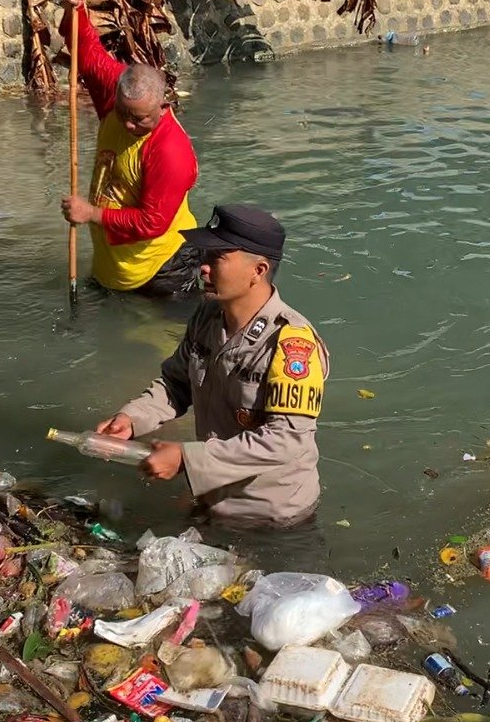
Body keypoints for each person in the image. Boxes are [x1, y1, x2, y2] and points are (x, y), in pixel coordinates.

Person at [94, 204, 328, 527]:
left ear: (258, 271)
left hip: (273, 519)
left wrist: (186, 459)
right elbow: (176, 383)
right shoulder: (207, 316)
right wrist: (132, 419)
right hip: (211, 495)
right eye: (204, 255)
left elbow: (285, 442)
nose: (203, 267)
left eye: (216, 258)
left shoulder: (291, 345)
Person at [58, 0, 200, 296]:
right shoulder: (119, 92)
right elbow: (84, 49)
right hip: (115, 264)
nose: (129, 125)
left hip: (162, 269)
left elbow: (153, 223)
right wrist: (74, 7)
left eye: (140, 119)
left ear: (163, 106)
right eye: (123, 115)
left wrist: (90, 213)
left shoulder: (171, 150)